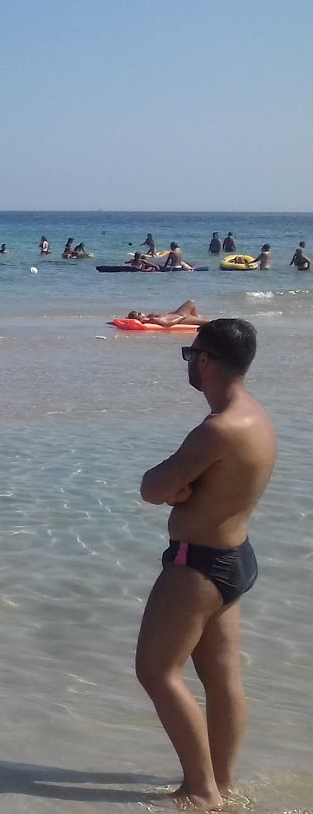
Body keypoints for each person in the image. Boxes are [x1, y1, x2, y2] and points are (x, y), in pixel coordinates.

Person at [136, 319, 276, 811]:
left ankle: (200, 790)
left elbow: (153, 488)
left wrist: (171, 490)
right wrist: (184, 490)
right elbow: (208, 488)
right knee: (222, 679)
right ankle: (223, 782)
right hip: (235, 560)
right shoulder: (255, 416)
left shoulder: (215, 430)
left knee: (156, 671)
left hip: (198, 566)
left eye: (189, 354)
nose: (189, 363)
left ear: (207, 362)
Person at [127, 300, 209, 328]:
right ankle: (196, 318)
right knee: (207, 323)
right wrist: (181, 316)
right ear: (140, 319)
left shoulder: (150, 317)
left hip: (177, 314)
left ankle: (196, 317)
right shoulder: (152, 319)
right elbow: (168, 323)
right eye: (139, 314)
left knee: (191, 302)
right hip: (181, 319)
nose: (141, 312)